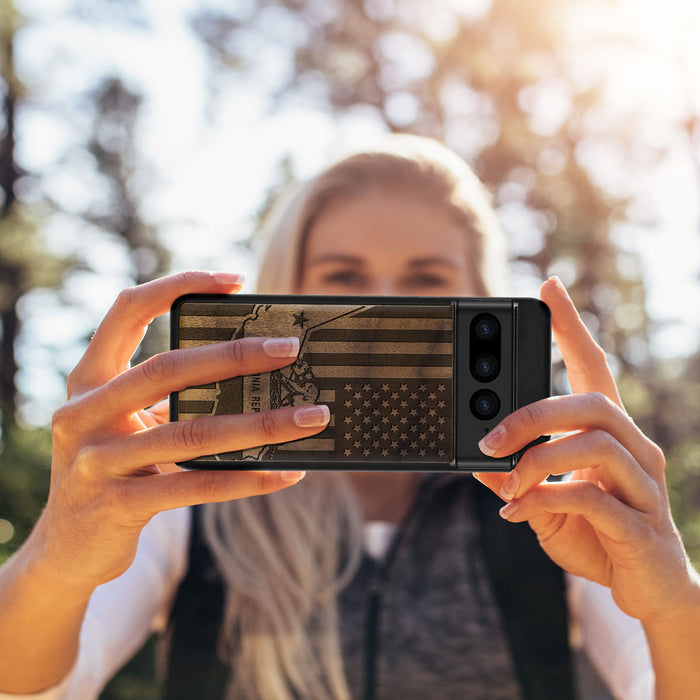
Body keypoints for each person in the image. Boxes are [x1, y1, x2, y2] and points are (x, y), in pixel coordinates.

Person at [0, 135, 699, 700]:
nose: (378, 311)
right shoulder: (187, 495)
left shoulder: (551, 498)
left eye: (427, 281)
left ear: (481, 302)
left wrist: (674, 604)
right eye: (343, 279)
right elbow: (38, 685)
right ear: (285, 295)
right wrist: (57, 559)